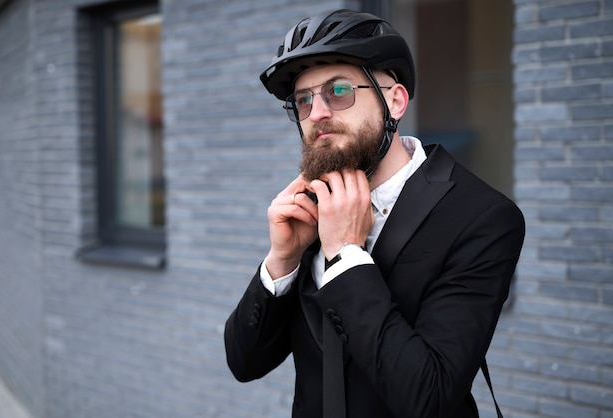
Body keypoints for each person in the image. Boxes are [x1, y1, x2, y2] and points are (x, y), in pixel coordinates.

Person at [224, 9, 525, 418]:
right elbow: (244, 364)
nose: (317, 113)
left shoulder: (482, 217)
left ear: (395, 101)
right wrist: (282, 260)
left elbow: (430, 398)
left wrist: (346, 254)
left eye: (339, 91)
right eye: (303, 100)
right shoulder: (311, 207)